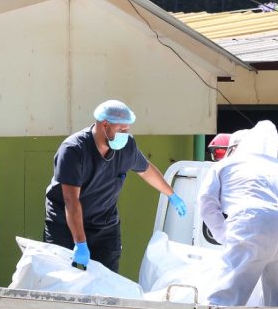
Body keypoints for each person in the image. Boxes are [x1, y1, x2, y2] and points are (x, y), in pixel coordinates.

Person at [44, 99, 187, 273]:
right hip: (66, 225)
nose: (125, 134)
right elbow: (71, 200)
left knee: (106, 280)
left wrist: (171, 194)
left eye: (128, 129)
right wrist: (80, 243)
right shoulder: (74, 150)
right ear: (105, 124)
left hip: (105, 226)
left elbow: (146, 170)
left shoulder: (126, 147)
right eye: (121, 129)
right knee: (63, 278)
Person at [197, 121, 278, 307]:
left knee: (225, 299)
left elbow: (206, 203)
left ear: (236, 148)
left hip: (251, 226)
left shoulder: (225, 165)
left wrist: (224, 235)